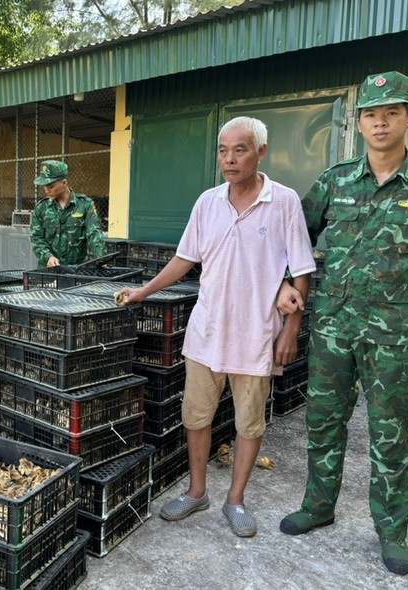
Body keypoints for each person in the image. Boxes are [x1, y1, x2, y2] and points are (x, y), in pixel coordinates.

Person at [276, 71, 408, 575]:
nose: (381, 122)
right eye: (372, 114)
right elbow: (293, 237)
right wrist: (285, 282)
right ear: (359, 123)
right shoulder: (334, 181)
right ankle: (318, 506)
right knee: (323, 423)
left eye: (391, 113)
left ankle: (392, 531)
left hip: (397, 339)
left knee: (391, 435)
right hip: (334, 328)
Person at [116, 117, 315, 537]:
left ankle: (236, 500)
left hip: (258, 335)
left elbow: (301, 269)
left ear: (261, 152)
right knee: (196, 417)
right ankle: (197, 491)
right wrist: (143, 291)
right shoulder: (207, 202)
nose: (229, 159)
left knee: (249, 424)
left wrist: (290, 329)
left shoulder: (283, 202)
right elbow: (184, 259)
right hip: (206, 334)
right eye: (223, 150)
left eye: (239, 150)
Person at [30, 160, 106, 267]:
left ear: (64, 182)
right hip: (48, 271)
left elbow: (94, 232)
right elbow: (36, 237)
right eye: (44, 186)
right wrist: (47, 256)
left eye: (51, 186)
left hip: (75, 270)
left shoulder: (84, 205)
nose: (47, 190)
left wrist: (101, 259)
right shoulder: (41, 208)